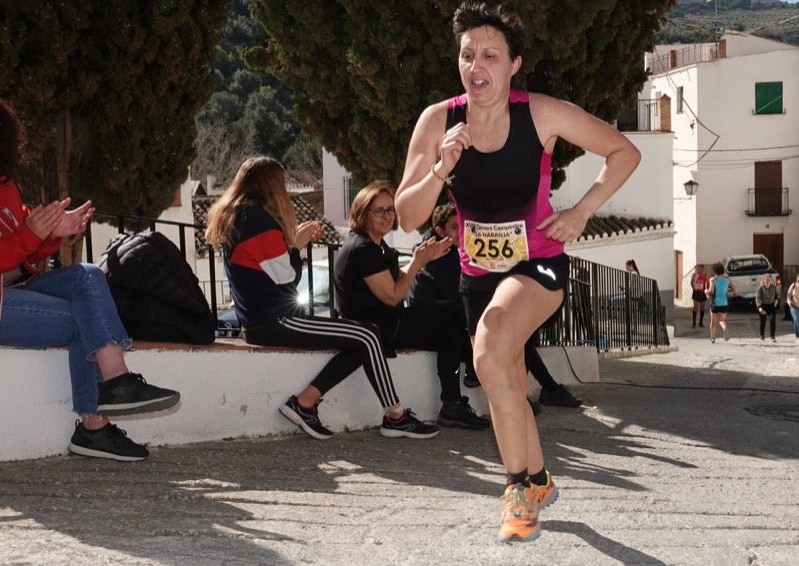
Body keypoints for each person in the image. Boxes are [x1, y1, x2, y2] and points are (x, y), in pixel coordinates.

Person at [393, 2, 640, 542]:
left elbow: (623, 151)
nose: (476, 65)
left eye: (490, 55)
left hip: (538, 262)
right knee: (500, 370)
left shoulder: (542, 114)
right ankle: (540, 477)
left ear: (513, 64)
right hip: (476, 274)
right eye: (467, 55)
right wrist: (441, 169)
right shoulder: (438, 121)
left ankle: (517, 491)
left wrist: (582, 211)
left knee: (490, 349)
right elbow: (408, 216)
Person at [0, 87, 179, 462]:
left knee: (87, 275)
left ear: (0, 134)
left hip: (8, 290)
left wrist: (51, 235)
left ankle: (117, 382)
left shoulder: (3, 186)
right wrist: (29, 235)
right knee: (85, 317)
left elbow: (23, 253)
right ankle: (95, 425)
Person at [205, 157, 438, 440]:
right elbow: (287, 278)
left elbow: (269, 270)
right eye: (281, 183)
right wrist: (296, 247)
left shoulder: (240, 219)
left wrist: (291, 246)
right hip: (275, 320)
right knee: (368, 334)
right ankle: (396, 416)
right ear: (270, 185)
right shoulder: (257, 221)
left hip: (260, 319)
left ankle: (305, 403)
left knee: (362, 340)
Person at [333, 181, 489, 431]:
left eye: (390, 210)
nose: (387, 216)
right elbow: (393, 296)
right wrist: (418, 262)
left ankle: (451, 405)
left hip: (386, 323)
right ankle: (476, 362)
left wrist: (423, 261)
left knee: (449, 333)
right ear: (363, 214)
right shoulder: (362, 250)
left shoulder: (374, 245)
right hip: (378, 329)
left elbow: (394, 279)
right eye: (379, 211)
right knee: (450, 310)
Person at [410, 202, 581, 408]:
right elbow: (458, 302)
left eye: (462, 225)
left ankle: (540, 390)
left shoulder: (449, 252)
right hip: (445, 328)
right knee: (510, 335)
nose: (461, 232)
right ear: (440, 231)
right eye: (454, 227)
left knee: (516, 333)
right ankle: (530, 392)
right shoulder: (440, 258)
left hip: (456, 323)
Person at [706, 261, 734, 343]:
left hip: (715, 303)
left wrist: (706, 291)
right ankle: (724, 328)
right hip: (724, 303)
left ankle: (712, 338)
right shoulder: (727, 279)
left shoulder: (713, 280)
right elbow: (734, 289)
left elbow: (711, 291)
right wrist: (726, 291)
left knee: (713, 323)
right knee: (722, 321)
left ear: (715, 271)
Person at [755, 274, 780, 342]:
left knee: (772, 320)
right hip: (763, 306)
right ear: (764, 280)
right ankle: (762, 335)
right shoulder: (760, 288)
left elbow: (777, 295)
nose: (767, 281)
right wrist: (759, 307)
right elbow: (758, 298)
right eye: (766, 280)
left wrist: (777, 300)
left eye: (769, 280)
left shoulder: (774, 287)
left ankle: (772, 336)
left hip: (771, 306)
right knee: (763, 321)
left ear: (771, 281)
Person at [690, 264, 709, 328]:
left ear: (703, 269)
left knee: (702, 307)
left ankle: (701, 322)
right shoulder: (694, 275)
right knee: (695, 307)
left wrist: (707, 289)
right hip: (696, 292)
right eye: (698, 268)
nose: (699, 270)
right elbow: (691, 282)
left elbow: (708, 283)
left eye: (700, 268)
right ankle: (694, 323)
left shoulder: (706, 275)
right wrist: (693, 288)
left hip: (703, 293)